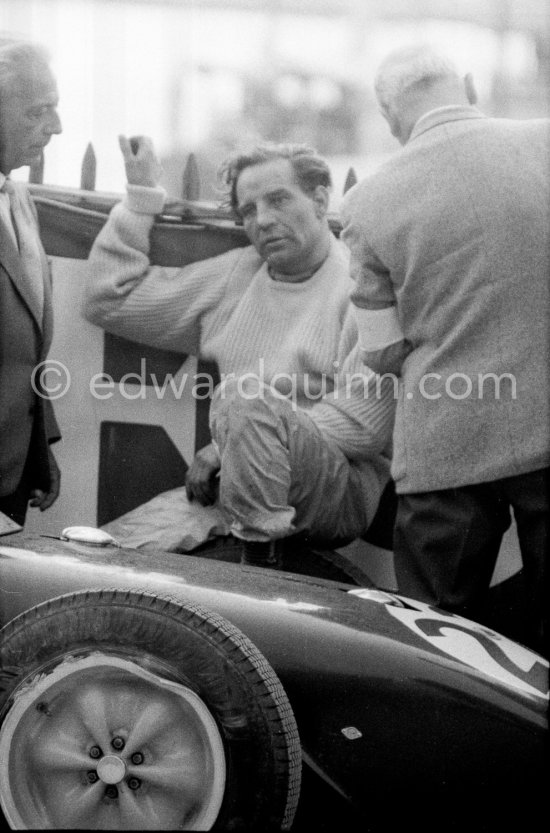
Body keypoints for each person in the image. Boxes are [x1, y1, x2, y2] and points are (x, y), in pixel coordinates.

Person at [84, 137, 396, 566]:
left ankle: (260, 571)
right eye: (249, 210)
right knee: (106, 556)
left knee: (243, 397)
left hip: (336, 487)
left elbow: (365, 425)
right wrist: (140, 197)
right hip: (237, 479)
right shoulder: (239, 275)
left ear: (321, 200)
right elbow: (110, 299)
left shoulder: (358, 285)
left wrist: (233, 440)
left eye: (278, 200)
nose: (263, 220)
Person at [341, 44, 550, 654]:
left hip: (445, 446)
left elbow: (379, 353)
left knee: (435, 639)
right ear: (470, 86)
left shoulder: (368, 202)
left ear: (390, 117)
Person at [0, 38, 62, 528]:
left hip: (12, 473)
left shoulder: (20, 201)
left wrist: (36, 452)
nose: (55, 128)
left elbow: (25, 350)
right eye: (37, 112)